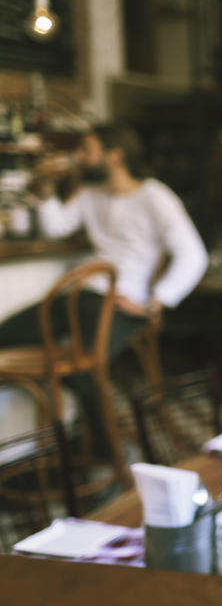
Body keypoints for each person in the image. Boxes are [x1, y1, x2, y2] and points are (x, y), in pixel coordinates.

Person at [0, 122, 208, 454]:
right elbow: (56, 228)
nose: (78, 157)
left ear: (114, 156)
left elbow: (193, 255)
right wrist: (47, 189)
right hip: (79, 297)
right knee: (7, 337)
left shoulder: (154, 195)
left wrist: (156, 302)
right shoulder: (90, 195)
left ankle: (102, 456)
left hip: (125, 304)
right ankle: (78, 443)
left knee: (84, 369)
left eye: (86, 150)